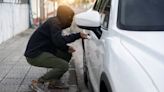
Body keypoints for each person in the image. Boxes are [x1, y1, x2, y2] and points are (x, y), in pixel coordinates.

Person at [24, 5, 88, 89]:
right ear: (64, 16)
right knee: (64, 66)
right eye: (69, 18)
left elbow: (57, 41)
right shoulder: (55, 24)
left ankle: (54, 81)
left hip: (43, 50)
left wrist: (66, 48)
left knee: (66, 54)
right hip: (34, 55)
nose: (71, 21)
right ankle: (38, 82)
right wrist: (78, 35)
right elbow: (59, 41)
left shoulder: (56, 21)